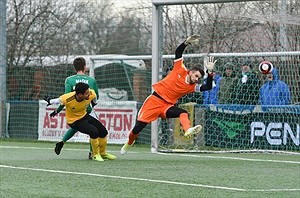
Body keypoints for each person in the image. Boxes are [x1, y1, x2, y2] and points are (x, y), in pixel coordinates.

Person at [120, 35, 216, 155]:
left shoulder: (192, 87)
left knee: (183, 113)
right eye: (196, 76)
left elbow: (207, 87)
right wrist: (186, 43)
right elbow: (178, 52)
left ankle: (188, 130)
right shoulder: (180, 69)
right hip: (154, 100)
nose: (197, 79)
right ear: (190, 72)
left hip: (166, 106)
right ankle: (129, 142)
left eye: (199, 78)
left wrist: (210, 73)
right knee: (137, 128)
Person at [44, 82, 116, 161]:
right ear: (79, 95)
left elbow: (94, 97)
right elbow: (57, 101)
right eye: (86, 93)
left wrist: (94, 103)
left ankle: (103, 153)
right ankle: (95, 154)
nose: (89, 94)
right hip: (74, 121)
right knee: (94, 132)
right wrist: (50, 102)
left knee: (103, 131)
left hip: (84, 116)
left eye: (88, 92)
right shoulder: (67, 98)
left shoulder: (91, 93)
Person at [50, 57, 99, 159]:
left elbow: (66, 97)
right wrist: (91, 106)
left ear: (74, 67)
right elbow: (96, 96)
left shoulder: (69, 80)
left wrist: (57, 110)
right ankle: (92, 152)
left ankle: (62, 141)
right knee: (94, 129)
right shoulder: (91, 80)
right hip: (87, 109)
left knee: (76, 125)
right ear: (85, 67)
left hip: (73, 109)